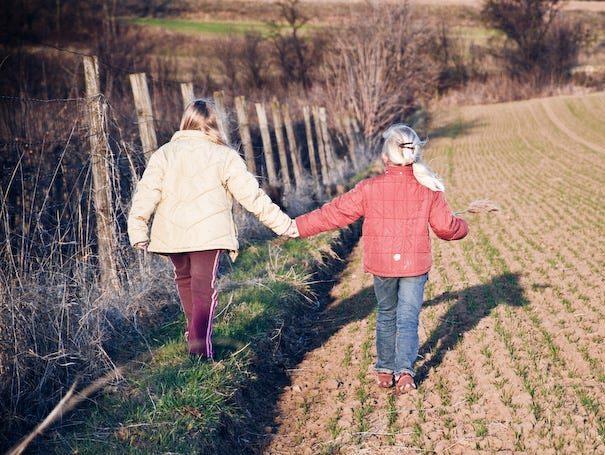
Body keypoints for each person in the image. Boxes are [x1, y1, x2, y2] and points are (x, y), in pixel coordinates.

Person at [292, 123, 468, 393]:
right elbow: (445, 228)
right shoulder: (429, 189)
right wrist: (463, 227)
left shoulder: (368, 188)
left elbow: (334, 213)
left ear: (385, 157)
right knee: (408, 318)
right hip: (414, 266)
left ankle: (385, 369)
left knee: (386, 314)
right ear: (414, 154)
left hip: (383, 265)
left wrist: (298, 227)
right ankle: (405, 373)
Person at [127, 98, 299, 360]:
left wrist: (138, 228)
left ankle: (194, 338)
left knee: (185, 281)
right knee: (203, 289)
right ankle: (200, 350)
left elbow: (146, 193)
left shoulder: (164, 153)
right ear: (215, 124)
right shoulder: (224, 155)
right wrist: (283, 224)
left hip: (173, 235)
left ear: (185, 122)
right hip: (209, 235)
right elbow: (252, 197)